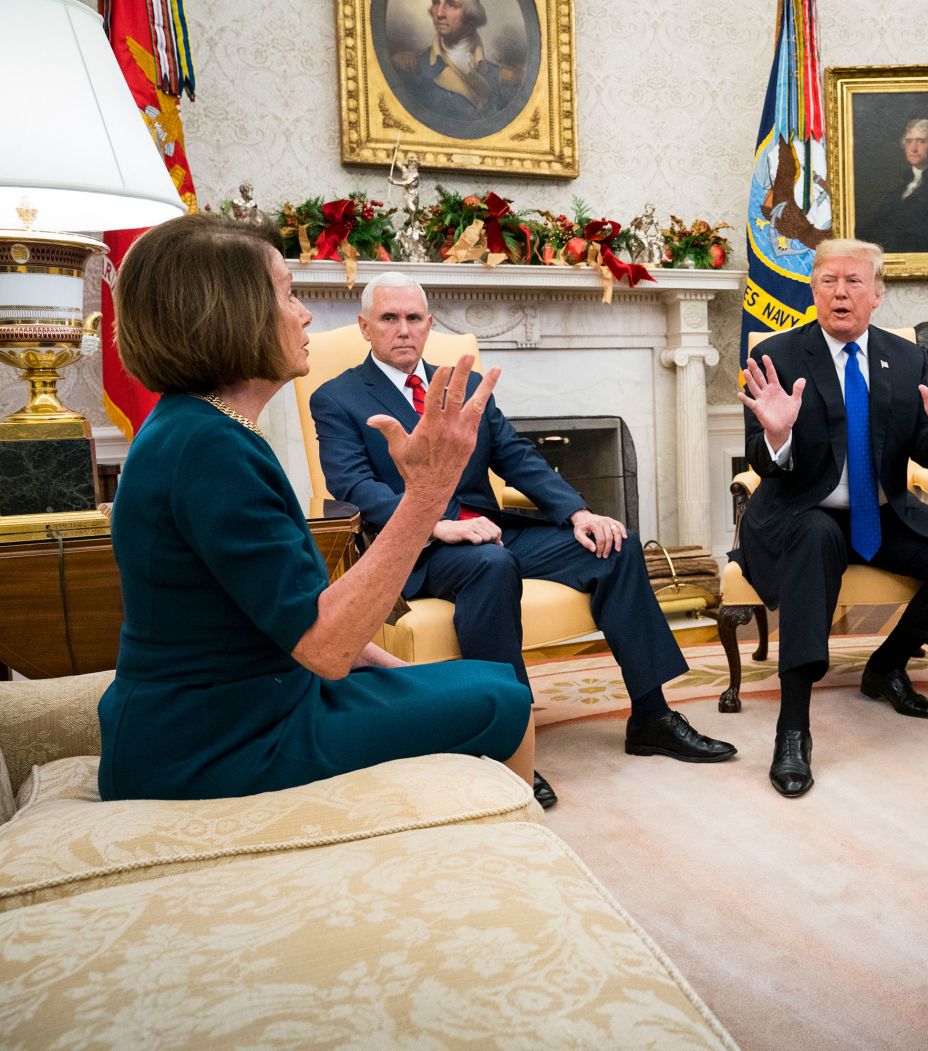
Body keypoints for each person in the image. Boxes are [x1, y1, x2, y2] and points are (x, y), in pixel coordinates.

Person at [97, 214, 535, 801]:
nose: (304, 313)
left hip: (245, 707)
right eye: (287, 292)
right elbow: (324, 648)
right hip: (217, 743)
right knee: (504, 698)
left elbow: (280, 608)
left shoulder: (199, 428)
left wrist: (394, 670)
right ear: (231, 312)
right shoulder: (209, 447)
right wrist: (429, 493)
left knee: (484, 680)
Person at [311, 273, 735, 808]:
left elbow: (514, 455)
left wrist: (579, 512)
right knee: (491, 564)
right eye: (389, 319)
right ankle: (508, 740)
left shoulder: (460, 388)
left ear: (429, 325)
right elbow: (351, 485)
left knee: (614, 545)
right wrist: (432, 522)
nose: (403, 330)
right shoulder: (338, 397)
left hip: (490, 527)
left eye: (413, 318)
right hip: (415, 548)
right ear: (364, 327)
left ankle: (651, 716)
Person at [735, 238, 928, 797]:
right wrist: (777, 435)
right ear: (813, 290)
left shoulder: (904, 358)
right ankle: (793, 730)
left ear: (877, 294)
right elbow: (761, 458)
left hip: (880, 513)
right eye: (828, 280)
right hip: (800, 512)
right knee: (812, 538)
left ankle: (888, 664)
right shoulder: (779, 356)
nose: (840, 292)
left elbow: (921, 451)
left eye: (854, 281)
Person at [391, 0, 523, 127]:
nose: (439, 14)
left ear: (471, 15)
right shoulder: (410, 67)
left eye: (451, 4)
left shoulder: (505, 78)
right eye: (436, 2)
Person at [856, 118, 928, 253]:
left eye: (921, 141)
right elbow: (875, 228)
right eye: (909, 141)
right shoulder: (898, 191)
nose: (913, 148)